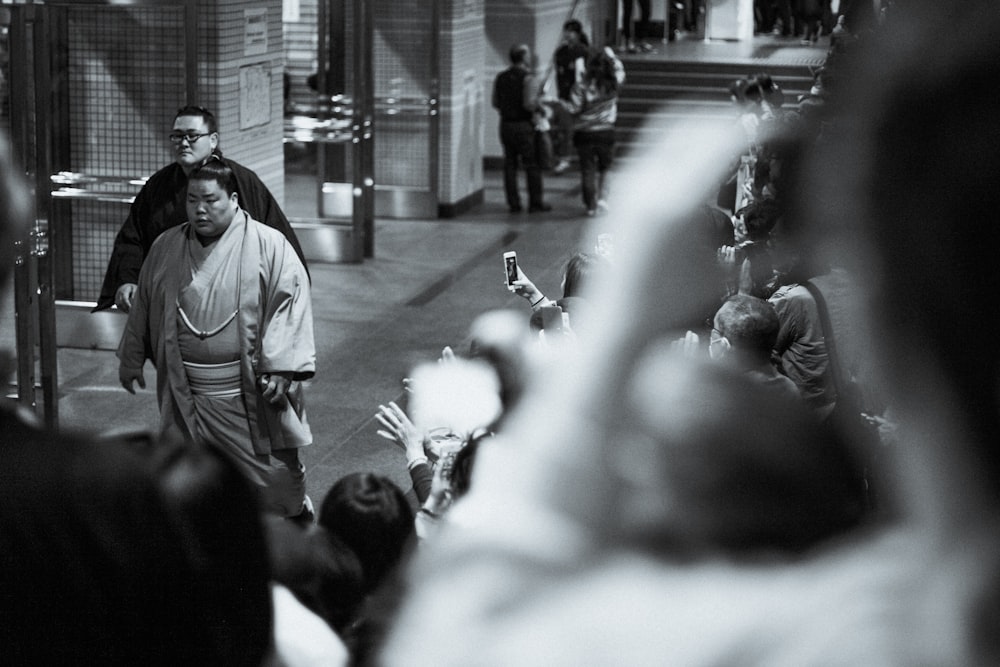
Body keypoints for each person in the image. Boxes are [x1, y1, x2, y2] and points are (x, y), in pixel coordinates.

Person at [117, 158, 315, 520]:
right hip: (186, 390)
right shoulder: (165, 246)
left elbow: (290, 303)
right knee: (188, 482)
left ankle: (290, 530)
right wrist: (131, 357)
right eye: (192, 200)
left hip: (251, 392)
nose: (200, 209)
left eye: (211, 200)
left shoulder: (270, 245)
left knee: (274, 481)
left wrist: (282, 367)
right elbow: (144, 301)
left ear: (235, 199)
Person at [95, 105, 307, 313]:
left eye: (192, 136)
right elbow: (134, 237)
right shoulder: (159, 185)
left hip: (232, 301)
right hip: (169, 299)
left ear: (213, 140)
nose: (183, 143)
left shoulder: (241, 181)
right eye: (177, 136)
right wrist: (128, 279)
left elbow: (276, 240)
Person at [562, 47, 626, 216]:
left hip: (584, 133)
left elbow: (573, 108)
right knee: (605, 168)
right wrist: (612, 57)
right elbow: (620, 70)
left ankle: (590, 206)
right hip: (606, 131)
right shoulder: (613, 83)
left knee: (587, 169)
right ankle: (603, 200)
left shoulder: (581, 85)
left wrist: (561, 104)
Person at [492, 44, 551, 214]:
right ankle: (535, 202)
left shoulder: (501, 77)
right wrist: (542, 109)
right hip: (524, 126)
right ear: (524, 57)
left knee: (510, 164)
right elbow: (529, 104)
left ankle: (514, 203)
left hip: (505, 125)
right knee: (531, 164)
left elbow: (495, 102)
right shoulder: (529, 79)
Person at [551, 19, 592, 174]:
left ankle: (585, 158)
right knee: (565, 128)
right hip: (566, 96)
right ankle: (564, 158)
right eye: (566, 31)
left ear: (578, 33)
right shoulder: (561, 52)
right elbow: (559, 75)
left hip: (582, 97)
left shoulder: (585, 52)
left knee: (583, 129)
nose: (568, 35)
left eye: (571, 31)